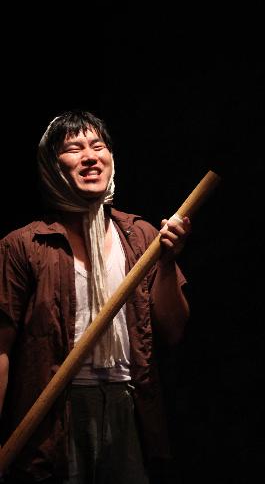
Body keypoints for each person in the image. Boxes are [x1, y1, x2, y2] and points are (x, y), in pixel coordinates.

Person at [0, 111, 191, 483]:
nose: (90, 157)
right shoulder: (24, 245)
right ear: (52, 166)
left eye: (98, 146)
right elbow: (1, 349)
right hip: (54, 413)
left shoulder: (140, 236)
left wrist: (168, 262)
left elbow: (173, 331)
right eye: (74, 149)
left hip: (127, 403)